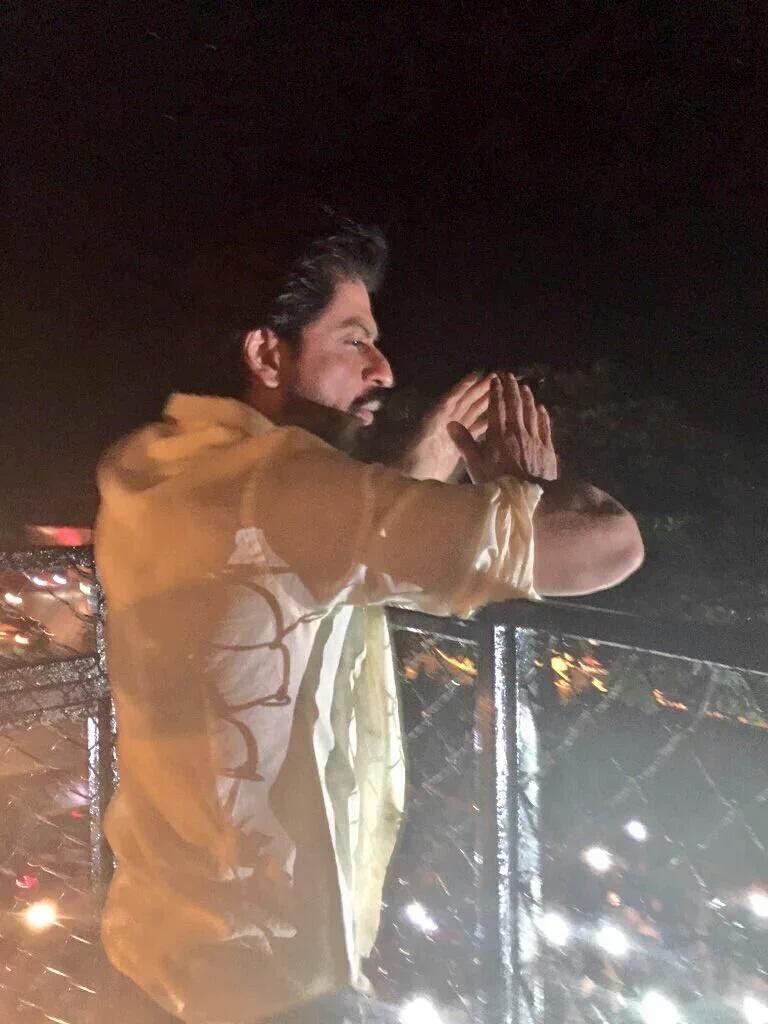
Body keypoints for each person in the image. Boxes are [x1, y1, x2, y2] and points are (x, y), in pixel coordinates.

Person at [95, 210, 643, 1024]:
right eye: (354, 340)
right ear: (266, 354)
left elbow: (301, 562)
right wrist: (526, 490)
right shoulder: (282, 487)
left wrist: (411, 473)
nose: (383, 368)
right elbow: (608, 545)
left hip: (152, 958)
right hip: (271, 990)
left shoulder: (153, 464)